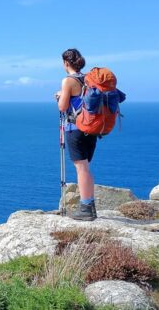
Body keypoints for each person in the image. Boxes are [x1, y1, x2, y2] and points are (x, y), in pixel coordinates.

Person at [55, 48, 97, 221]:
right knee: (85, 167)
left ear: (66, 62)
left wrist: (59, 96)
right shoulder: (88, 78)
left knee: (81, 168)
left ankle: (86, 208)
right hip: (91, 128)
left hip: (75, 129)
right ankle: (90, 207)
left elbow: (63, 107)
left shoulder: (68, 81)